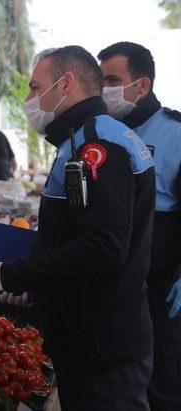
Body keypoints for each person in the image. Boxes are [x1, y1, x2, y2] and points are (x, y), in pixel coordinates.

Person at [0, 46, 156, 410]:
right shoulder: (85, 138)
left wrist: (11, 273)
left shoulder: (97, 146)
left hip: (103, 344)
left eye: (35, 87)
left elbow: (102, 247)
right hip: (91, 332)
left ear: (66, 84)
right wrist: (37, 285)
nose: (30, 99)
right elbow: (74, 234)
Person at [98, 41, 181, 411]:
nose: (104, 89)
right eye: (100, 80)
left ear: (142, 85)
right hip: (113, 286)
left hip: (162, 291)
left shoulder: (175, 134)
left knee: (163, 386)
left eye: (112, 80)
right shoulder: (100, 134)